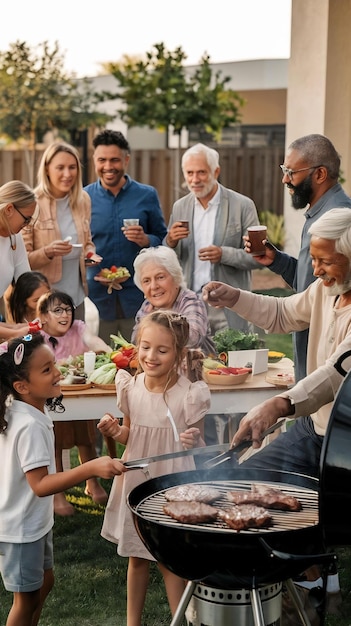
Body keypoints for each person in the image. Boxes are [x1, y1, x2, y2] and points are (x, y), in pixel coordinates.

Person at [203, 207, 351, 478]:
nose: (316, 271)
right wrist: (234, 297)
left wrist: (278, 405)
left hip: (345, 441)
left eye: (325, 261)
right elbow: (284, 313)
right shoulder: (326, 289)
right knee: (243, 483)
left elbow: (335, 376)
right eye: (314, 260)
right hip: (313, 429)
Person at [0, 332, 126, 626]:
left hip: (33, 523)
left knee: (45, 581)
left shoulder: (27, 411)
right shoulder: (28, 425)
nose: (58, 373)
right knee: (26, 598)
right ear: (22, 385)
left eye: (54, 364)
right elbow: (40, 485)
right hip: (19, 530)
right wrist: (91, 468)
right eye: (47, 370)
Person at [98, 310, 211, 626]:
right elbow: (129, 436)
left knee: (171, 560)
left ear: (178, 354)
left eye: (162, 350)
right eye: (145, 347)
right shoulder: (131, 387)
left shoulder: (189, 394)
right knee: (136, 557)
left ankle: (180, 620)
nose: (151, 355)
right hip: (137, 480)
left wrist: (194, 441)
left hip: (173, 484)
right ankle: (132, 622)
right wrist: (114, 431)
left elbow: (199, 448)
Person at [246, 134, 351, 382]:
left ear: (320, 174)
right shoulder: (317, 212)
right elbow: (313, 284)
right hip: (307, 343)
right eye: (284, 170)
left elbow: (338, 287)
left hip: (328, 353)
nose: (285, 179)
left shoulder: (338, 218)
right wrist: (276, 260)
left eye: (291, 172)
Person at [163, 142, 262, 336]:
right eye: (189, 173)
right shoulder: (180, 207)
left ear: (216, 172)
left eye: (201, 172)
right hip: (190, 307)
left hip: (228, 308)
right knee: (192, 364)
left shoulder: (243, 206)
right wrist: (170, 242)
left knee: (232, 363)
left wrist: (223, 254)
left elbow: (257, 257)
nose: (194, 179)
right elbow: (169, 259)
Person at [84, 130, 168, 345]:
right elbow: (79, 244)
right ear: (94, 160)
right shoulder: (84, 198)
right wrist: (87, 256)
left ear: (126, 160)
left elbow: (163, 238)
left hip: (138, 297)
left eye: (114, 160)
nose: (108, 166)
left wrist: (145, 240)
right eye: (102, 160)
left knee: (140, 360)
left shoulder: (146, 195)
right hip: (96, 299)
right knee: (100, 365)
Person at [37, 290, 112, 515]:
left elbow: (92, 339)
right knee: (56, 444)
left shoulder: (78, 327)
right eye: (57, 310)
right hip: (53, 399)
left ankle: (92, 483)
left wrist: (105, 350)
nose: (65, 315)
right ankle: (58, 493)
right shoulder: (37, 335)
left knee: (86, 438)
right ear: (43, 316)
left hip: (80, 394)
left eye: (68, 309)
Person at [22, 141, 101, 321]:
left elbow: (87, 241)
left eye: (72, 167)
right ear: (47, 169)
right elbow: (22, 260)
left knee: (76, 348)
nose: (67, 174)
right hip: (44, 301)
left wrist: (90, 254)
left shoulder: (83, 200)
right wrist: (48, 252)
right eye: (60, 167)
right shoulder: (31, 204)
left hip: (76, 297)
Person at [132, 246, 216, 356]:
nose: (153, 286)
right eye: (146, 280)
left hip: (197, 369)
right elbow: (135, 343)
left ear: (176, 278)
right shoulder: (147, 306)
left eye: (160, 277)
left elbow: (192, 339)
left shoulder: (190, 300)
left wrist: (157, 326)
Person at [0, 180, 38, 340]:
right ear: (9, 209)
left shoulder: (14, 237)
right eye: (26, 219)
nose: (27, 225)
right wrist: (16, 331)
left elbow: (26, 282)